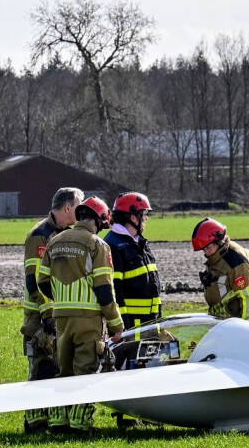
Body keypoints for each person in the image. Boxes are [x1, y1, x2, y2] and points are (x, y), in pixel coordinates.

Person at [43, 195, 124, 428]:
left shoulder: (54, 242)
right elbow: (104, 289)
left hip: (61, 318)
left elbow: (42, 281)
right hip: (88, 320)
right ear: (98, 221)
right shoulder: (97, 245)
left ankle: (58, 421)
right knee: (86, 370)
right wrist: (116, 325)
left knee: (63, 370)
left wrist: (62, 300)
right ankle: (80, 423)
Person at [20, 186, 81, 434]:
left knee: (57, 368)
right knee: (41, 369)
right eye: (80, 204)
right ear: (68, 207)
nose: (83, 208)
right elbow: (33, 280)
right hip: (40, 317)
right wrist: (47, 313)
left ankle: (54, 421)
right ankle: (34, 423)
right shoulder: (40, 235)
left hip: (60, 315)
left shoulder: (66, 234)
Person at [191, 216, 249, 322]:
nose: (206, 253)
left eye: (208, 248)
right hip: (222, 323)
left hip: (235, 326)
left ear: (218, 241)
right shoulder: (216, 257)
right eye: (203, 249)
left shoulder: (235, 261)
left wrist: (246, 331)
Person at [105, 192, 162, 328]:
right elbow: (114, 290)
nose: (146, 219)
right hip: (131, 327)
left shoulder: (140, 242)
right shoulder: (112, 246)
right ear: (133, 217)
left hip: (150, 322)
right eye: (143, 214)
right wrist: (122, 325)